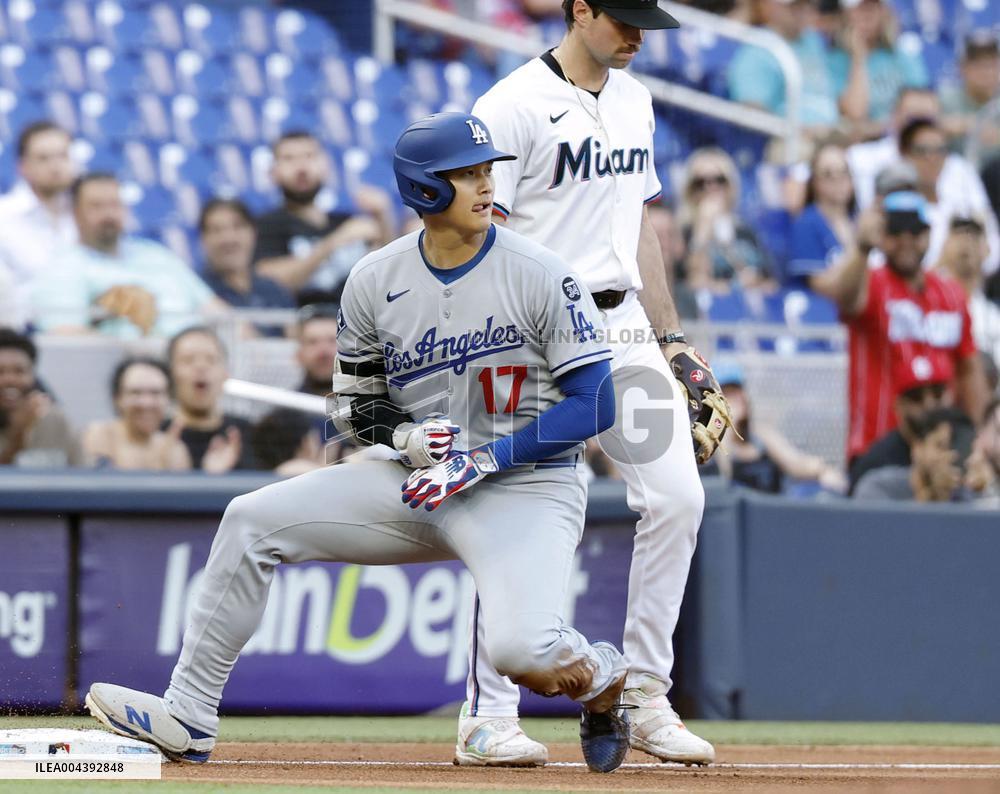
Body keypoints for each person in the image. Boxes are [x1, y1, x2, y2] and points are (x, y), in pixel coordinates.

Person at [85, 112, 636, 773]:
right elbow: (354, 408)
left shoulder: (542, 271)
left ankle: (601, 677)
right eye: (466, 173)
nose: (486, 184)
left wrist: (486, 458)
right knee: (251, 519)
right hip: (419, 480)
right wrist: (403, 434)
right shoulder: (376, 278)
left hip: (525, 483)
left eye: (488, 169)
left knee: (525, 656)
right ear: (425, 190)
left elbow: (596, 403)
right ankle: (189, 713)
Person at [467, 0, 730, 767]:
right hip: (539, 334)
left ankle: (647, 694)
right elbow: (492, 232)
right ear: (579, 10)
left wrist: (673, 338)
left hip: (621, 331)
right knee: (517, 517)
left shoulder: (636, 98)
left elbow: (639, 225)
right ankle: (487, 715)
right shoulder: (510, 105)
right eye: (623, 16)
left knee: (679, 498)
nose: (639, 32)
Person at [808, 190, 988, 466]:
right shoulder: (870, 282)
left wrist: (979, 437)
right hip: (877, 447)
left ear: (928, 235)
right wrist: (862, 249)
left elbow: (969, 369)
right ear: (883, 236)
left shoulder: (951, 293)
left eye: (914, 232)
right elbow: (845, 296)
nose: (906, 241)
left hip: (942, 451)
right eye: (895, 232)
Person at [33, 173, 228, 339]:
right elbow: (63, 336)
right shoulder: (64, 267)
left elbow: (220, 315)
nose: (108, 214)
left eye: (114, 204)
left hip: (198, 359)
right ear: (75, 214)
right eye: (96, 206)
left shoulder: (157, 255)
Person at [253, 131, 395, 306]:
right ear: (273, 172)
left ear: (326, 166)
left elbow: (389, 276)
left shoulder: (346, 221)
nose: (301, 167)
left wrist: (382, 218)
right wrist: (332, 243)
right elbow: (270, 283)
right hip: (301, 325)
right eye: (289, 159)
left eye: (310, 156)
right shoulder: (266, 225)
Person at [707, 361, 846, 493]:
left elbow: (796, 463)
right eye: (727, 394)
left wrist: (822, 471)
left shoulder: (761, 435)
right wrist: (727, 426)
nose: (735, 399)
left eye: (737, 391)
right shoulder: (711, 445)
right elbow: (723, 477)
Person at [898, 117, 1000, 271]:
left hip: (972, 288)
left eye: (939, 151)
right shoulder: (897, 205)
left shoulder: (961, 196)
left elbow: (992, 252)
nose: (931, 158)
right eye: (922, 151)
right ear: (905, 154)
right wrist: (948, 258)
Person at [0, 122, 77, 325]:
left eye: (63, 156)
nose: (55, 166)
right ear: (23, 166)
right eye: (43, 158)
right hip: (19, 331)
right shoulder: (4, 216)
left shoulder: (83, 215)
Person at [726, 0, 840, 134]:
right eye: (795, 6)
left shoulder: (813, 39)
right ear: (771, 5)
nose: (803, 11)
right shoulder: (759, 48)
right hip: (792, 141)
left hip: (833, 132)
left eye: (807, 4)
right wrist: (800, 130)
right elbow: (751, 111)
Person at [679, 147, 775, 294]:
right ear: (690, 190)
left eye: (719, 180)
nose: (711, 187)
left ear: (730, 186)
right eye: (700, 182)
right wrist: (702, 229)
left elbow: (771, 284)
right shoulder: (682, 232)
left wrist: (754, 282)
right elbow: (693, 283)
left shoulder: (745, 231)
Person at [847, 362, 953, 493]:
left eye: (937, 394)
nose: (929, 405)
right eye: (916, 397)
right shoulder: (875, 464)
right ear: (898, 405)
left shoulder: (965, 451)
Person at [199, 198, 295, 336]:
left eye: (237, 227)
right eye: (216, 230)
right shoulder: (199, 290)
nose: (228, 238)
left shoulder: (274, 290)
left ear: (253, 233)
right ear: (203, 239)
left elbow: (295, 339)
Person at [167, 326, 256, 473]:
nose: (201, 367)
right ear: (171, 374)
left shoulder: (250, 435)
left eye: (211, 360)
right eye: (188, 360)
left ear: (225, 374)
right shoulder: (158, 436)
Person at [827, 0, 928, 128]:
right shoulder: (835, 60)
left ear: (883, 13)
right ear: (846, 15)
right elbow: (856, 113)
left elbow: (924, 102)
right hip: (863, 141)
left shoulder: (900, 54)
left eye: (873, 8)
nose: (867, 15)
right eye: (860, 9)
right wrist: (858, 58)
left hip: (902, 136)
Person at [82, 357, 190, 471]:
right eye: (136, 393)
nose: (146, 403)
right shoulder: (101, 435)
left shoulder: (175, 450)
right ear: (118, 398)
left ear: (168, 399)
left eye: (155, 393)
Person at [853, 407, 975, 502]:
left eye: (955, 450)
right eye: (940, 446)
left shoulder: (970, 494)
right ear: (917, 448)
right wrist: (932, 497)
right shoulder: (878, 487)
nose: (948, 457)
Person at [0, 329, 82, 467]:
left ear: (33, 376)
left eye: (19, 371)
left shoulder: (56, 420)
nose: (10, 379)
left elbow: (84, 475)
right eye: (0, 372)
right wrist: (19, 434)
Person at [786, 142, 857, 290]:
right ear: (814, 182)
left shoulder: (857, 221)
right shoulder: (806, 223)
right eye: (828, 174)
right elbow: (819, 286)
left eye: (844, 172)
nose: (838, 179)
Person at [937, 215, 1000, 367]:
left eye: (974, 235)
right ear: (944, 245)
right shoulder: (927, 299)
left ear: (987, 249)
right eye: (958, 234)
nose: (966, 241)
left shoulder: (993, 315)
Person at [940, 30, 1000, 159]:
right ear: (962, 68)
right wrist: (969, 126)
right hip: (957, 172)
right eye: (978, 65)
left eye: (992, 64)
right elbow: (925, 128)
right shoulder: (945, 99)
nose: (987, 72)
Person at [250, 407, 324, 477]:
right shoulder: (301, 470)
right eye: (315, 440)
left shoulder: (257, 477)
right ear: (305, 443)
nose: (317, 446)